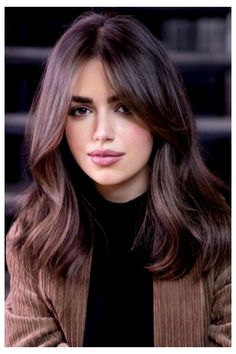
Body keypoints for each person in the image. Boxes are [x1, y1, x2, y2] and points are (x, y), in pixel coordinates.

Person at [5, 11, 231, 347]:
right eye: (80, 110)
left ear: (160, 111)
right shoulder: (35, 236)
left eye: (124, 107)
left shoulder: (217, 233)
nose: (101, 134)